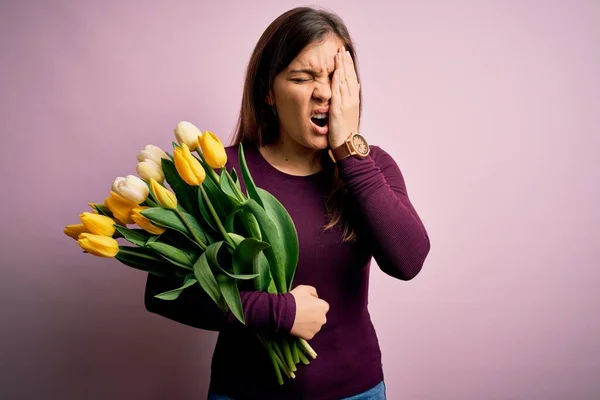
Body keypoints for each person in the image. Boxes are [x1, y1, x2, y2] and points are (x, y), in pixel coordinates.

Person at [145, 6, 431, 400]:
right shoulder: (219, 173)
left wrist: (350, 154)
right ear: (267, 92)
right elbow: (164, 291)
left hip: (356, 391)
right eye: (302, 78)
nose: (325, 92)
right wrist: (279, 312)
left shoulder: (371, 166)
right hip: (244, 392)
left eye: (337, 78)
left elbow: (408, 261)